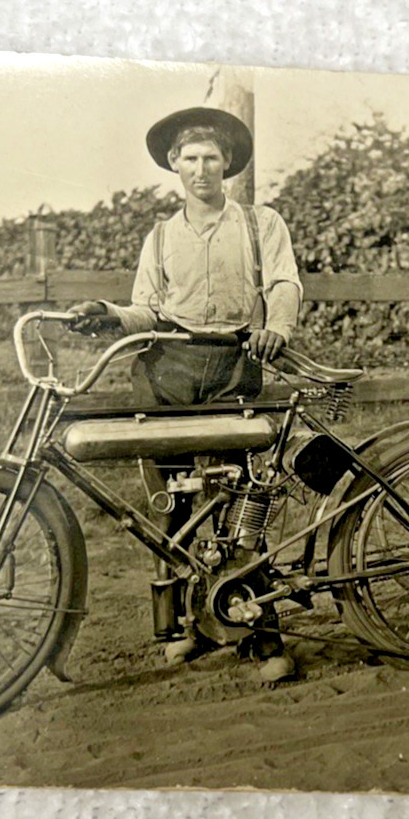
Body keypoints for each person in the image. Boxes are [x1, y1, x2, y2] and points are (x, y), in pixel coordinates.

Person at [68, 106, 303, 681]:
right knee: (170, 506)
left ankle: (259, 636)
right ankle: (188, 629)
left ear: (228, 166)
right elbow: (147, 307)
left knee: (241, 500)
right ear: (174, 165)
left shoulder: (259, 224)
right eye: (190, 160)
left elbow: (284, 282)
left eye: (211, 160)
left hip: (232, 368)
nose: (201, 170)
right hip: (165, 372)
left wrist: (278, 326)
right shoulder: (160, 235)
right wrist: (107, 315)